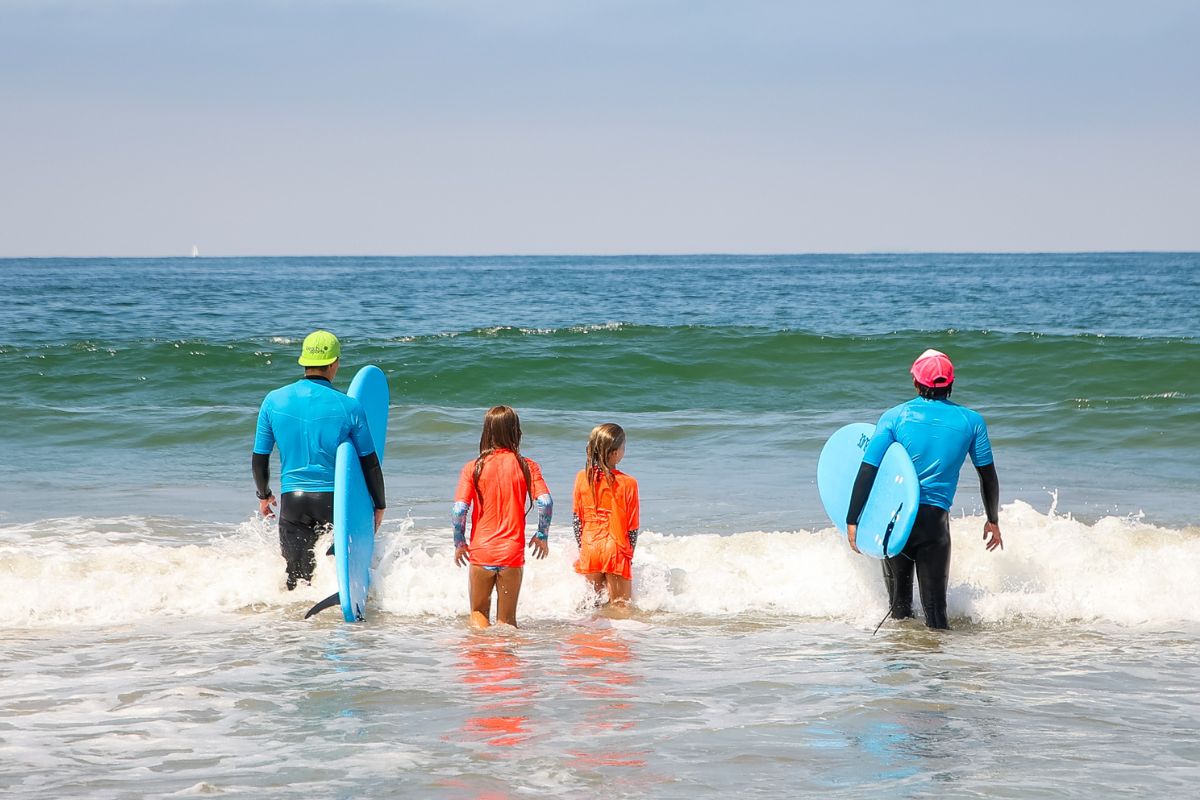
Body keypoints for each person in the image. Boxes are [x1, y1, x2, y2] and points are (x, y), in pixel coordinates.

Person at [845, 349, 1002, 629]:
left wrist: (852, 519)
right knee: (937, 616)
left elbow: (868, 468)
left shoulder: (894, 417)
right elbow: (987, 476)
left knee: (899, 612)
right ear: (951, 384)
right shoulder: (972, 422)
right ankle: (939, 670)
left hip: (896, 521)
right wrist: (993, 519)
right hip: (934, 526)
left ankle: (901, 668)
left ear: (916, 383)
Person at [252, 330, 386, 590]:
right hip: (333, 500)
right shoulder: (349, 406)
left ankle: (299, 629)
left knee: (297, 581)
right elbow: (369, 461)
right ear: (334, 363)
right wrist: (379, 503)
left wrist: (264, 494)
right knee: (342, 574)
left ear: (304, 361)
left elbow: (260, 457)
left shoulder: (273, 400)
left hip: (293, 501)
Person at [452, 406, 552, 627]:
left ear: (486, 432)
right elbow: (545, 503)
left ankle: (481, 659)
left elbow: (459, 509)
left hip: (482, 551)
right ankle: (505, 660)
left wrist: (459, 543)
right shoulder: (527, 466)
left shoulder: (473, 467)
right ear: (516, 431)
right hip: (511, 553)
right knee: (507, 623)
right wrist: (542, 535)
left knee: (478, 613)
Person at [572, 423, 641, 607]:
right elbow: (632, 528)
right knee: (620, 607)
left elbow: (577, 521)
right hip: (616, 548)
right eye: (623, 447)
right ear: (615, 453)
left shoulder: (582, 477)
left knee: (591, 607)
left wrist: (584, 549)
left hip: (590, 546)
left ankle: (587, 635)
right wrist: (629, 557)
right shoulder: (629, 483)